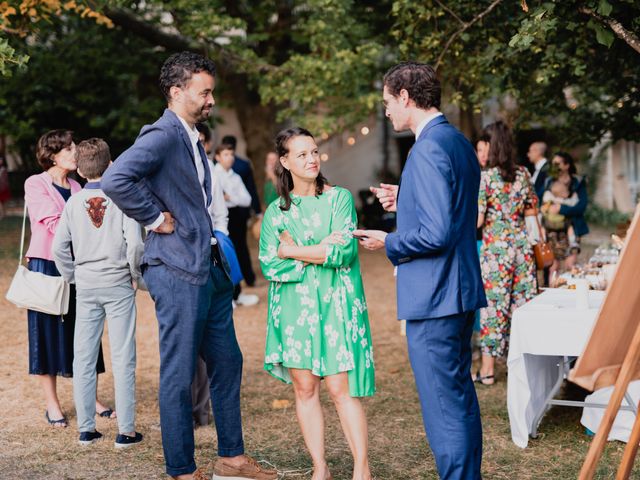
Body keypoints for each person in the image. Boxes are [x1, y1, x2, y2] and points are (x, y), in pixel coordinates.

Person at [102, 51, 276, 480]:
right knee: (179, 373)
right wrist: (154, 218)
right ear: (178, 92)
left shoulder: (191, 136)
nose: (211, 99)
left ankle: (232, 459)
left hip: (210, 270)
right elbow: (115, 179)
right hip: (177, 270)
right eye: (205, 92)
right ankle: (182, 470)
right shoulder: (161, 135)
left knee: (228, 363)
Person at [353, 62, 486, 480]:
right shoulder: (456, 141)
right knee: (459, 396)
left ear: (406, 98)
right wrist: (407, 196)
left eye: (389, 101)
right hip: (458, 289)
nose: (387, 110)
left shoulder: (427, 148)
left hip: (436, 294)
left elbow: (436, 232)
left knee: (444, 405)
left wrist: (387, 241)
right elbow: (452, 203)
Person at [259, 127, 375, 480]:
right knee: (305, 388)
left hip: (336, 304)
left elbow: (341, 251)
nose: (311, 159)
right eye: (301, 154)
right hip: (295, 310)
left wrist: (292, 249)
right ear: (285, 162)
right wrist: (317, 252)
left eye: (314, 152)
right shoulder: (276, 211)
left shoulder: (338, 199)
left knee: (341, 389)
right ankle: (320, 467)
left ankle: (361, 468)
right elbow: (269, 263)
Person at [53, 138, 144, 447]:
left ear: (78, 169)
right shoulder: (122, 199)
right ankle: (126, 431)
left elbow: (58, 247)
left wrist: (73, 275)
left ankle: (87, 429)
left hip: (87, 284)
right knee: (123, 356)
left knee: (84, 356)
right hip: (118, 283)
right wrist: (135, 275)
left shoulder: (71, 203)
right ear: (111, 164)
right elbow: (134, 244)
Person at [24, 130, 110, 429]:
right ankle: (53, 403)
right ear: (53, 155)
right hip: (46, 265)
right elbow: (50, 222)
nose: (76, 153)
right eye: (69, 148)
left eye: (74, 147)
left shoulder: (78, 185)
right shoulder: (35, 184)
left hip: (78, 266)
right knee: (45, 335)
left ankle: (91, 398)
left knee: (85, 331)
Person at [476, 121, 538, 385]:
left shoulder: (486, 178)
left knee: (493, 309)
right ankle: (521, 368)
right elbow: (532, 212)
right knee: (521, 308)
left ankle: (487, 371)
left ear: (491, 147)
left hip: (496, 253)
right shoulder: (523, 173)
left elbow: (477, 221)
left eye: (482, 148)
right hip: (522, 249)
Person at [212, 143, 259, 307]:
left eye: (231, 154)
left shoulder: (236, 176)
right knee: (222, 256)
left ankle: (237, 293)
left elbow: (247, 200)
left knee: (238, 253)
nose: (230, 158)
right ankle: (228, 296)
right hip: (219, 219)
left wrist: (230, 197)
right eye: (226, 154)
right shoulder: (213, 174)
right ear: (217, 156)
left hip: (236, 218)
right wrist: (231, 198)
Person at [222, 134, 260, 287]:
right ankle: (248, 278)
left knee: (232, 246)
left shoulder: (234, 167)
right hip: (240, 213)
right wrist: (256, 211)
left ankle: (238, 280)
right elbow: (252, 190)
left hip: (231, 213)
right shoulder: (244, 164)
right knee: (241, 246)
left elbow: (249, 192)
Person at [544, 151, 589, 271]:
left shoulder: (577, 183)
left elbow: (581, 206)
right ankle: (553, 288)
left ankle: (572, 287)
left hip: (572, 227)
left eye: (557, 163)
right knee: (553, 266)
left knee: (571, 264)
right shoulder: (549, 181)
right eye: (553, 164)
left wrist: (561, 209)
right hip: (552, 229)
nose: (554, 167)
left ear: (567, 165)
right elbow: (542, 204)